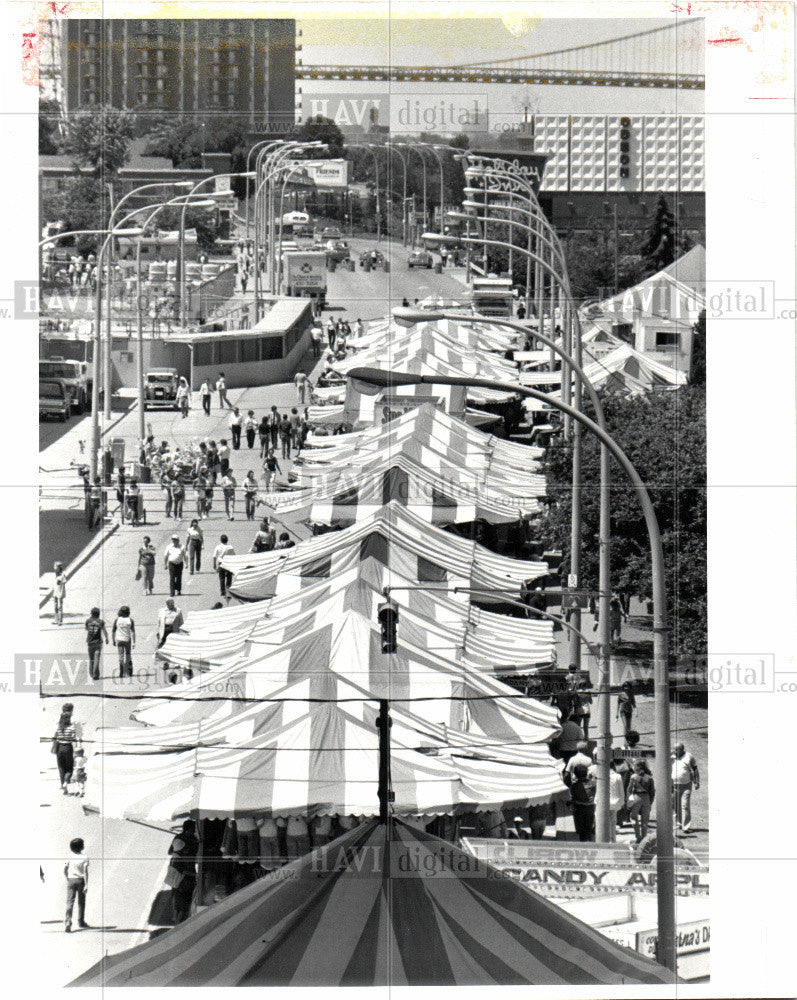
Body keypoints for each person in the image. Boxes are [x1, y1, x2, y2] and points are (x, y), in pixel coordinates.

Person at [167, 820, 198, 924]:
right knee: (185, 897)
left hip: (174, 868)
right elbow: (196, 856)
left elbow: (170, 851)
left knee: (176, 892)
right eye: (193, 828)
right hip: (186, 872)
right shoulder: (192, 841)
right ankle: (179, 920)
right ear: (190, 829)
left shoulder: (177, 837)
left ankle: (175, 916)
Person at [672, 742, 700, 833]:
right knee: (675, 805)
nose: (675, 751)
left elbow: (695, 769)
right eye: (674, 749)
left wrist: (696, 782)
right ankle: (677, 823)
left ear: (682, 750)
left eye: (677, 749)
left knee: (685, 805)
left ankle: (686, 826)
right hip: (674, 785)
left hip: (686, 785)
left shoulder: (689, 756)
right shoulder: (671, 757)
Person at [52, 704, 80, 794]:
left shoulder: (59, 728)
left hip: (59, 748)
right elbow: (74, 738)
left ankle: (63, 786)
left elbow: (55, 736)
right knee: (69, 768)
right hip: (68, 748)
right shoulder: (72, 727)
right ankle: (66, 782)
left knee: (61, 768)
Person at [64, 837, 89, 932]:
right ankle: (81, 921)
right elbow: (85, 872)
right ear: (81, 847)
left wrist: (67, 877)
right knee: (81, 902)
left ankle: (68, 922)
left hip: (71, 880)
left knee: (70, 902)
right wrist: (86, 884)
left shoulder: (69, 857)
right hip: (80, 880)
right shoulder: (84, 858)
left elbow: (65, 868)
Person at [627, 758, 655, 843]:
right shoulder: (649, 778)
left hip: (636, 797)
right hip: (646, 797)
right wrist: (650, 802)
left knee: (633, 817)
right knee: (645, 820)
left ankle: (637, 836)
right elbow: (652, 792)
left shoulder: (634, 777)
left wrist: (628, 801)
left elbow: (629, 789)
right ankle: (644, 837)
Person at [570, 764, 596, 842]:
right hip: (590, 807)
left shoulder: (574, 786)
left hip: (579, 808)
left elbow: (572, 797)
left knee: (581, 830)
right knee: (589, 827)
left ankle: (584, 843)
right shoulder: (592, 784)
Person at [112, 605, 135, 678]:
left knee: (120, 655)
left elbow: (113, 631)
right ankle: (129, 671)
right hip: (127, 639)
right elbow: (133, 632)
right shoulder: (130, 620)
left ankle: (121, 668)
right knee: (128, 654)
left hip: (119, 639)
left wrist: (113, 640)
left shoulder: (117, 620)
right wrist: (134, 642)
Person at [84, 608, 108, 681]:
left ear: (91, 613)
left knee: (91, 659)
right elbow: (104, 631)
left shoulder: (88, 621)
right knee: (97, 658)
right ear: (98, 614)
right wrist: (107, 638)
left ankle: (91, 673)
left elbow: (86, 629)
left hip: (90, 642)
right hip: (98, 642)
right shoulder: (101, 622)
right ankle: (95, 674)